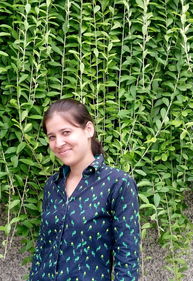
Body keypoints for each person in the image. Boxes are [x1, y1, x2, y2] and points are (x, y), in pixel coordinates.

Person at [29, 98, 140, 281]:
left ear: (88, 129)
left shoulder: (117, 183)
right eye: (52, 137)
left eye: (66, 132)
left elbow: (127, 256)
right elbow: (43, 250)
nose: (58, 143)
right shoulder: (52, 186)